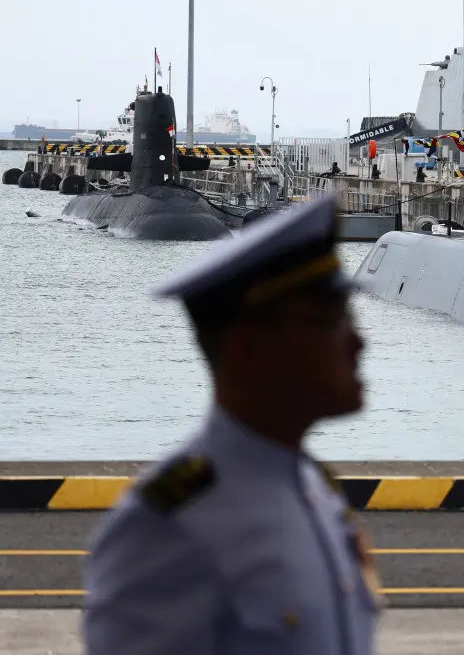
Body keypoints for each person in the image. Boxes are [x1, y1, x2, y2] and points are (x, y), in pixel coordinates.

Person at [81, 197, 380, 654]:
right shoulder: (169, 529)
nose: (358, 342)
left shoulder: (312, 488)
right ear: (248, 352)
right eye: (330, 321)